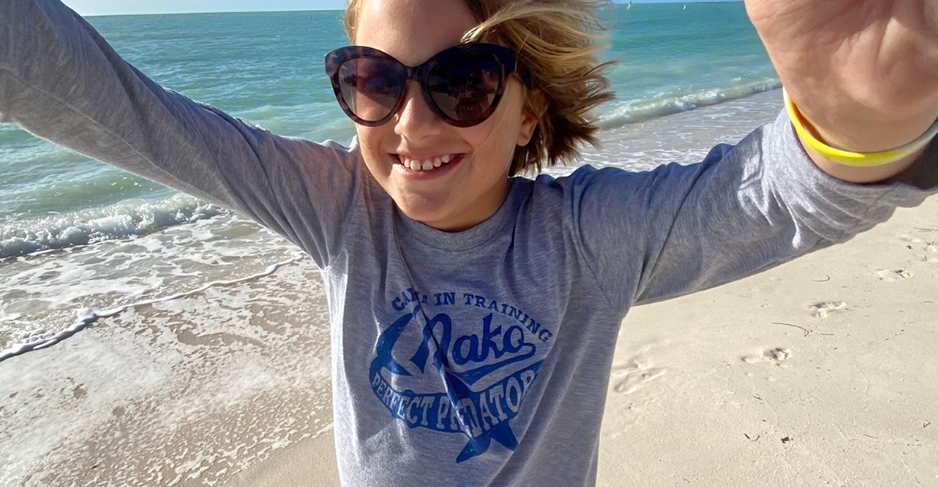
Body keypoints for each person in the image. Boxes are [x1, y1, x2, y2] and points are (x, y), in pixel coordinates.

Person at [1, 0, 936, 485]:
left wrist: (862, 121)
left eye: (463, 82)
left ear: (529, 109)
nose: (411, 122)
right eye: (373, 80)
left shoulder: (585, 238)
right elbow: (131, 116)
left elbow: (767, 197)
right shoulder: (338, 209)